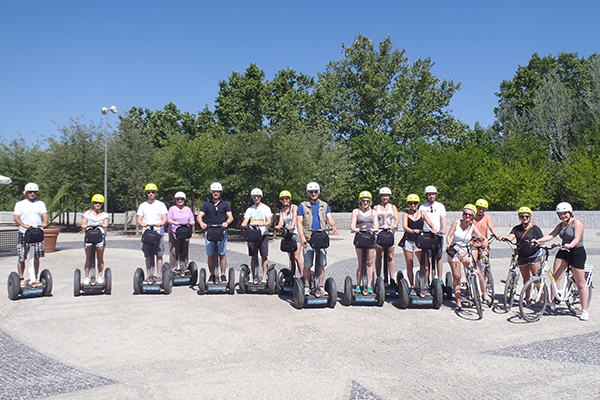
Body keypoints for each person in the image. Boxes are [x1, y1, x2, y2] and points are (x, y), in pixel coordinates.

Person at [533, 202, 589, 321]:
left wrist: (571, 245)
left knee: (580, 283)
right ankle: (554, 300)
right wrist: (538, 240)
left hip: (576, 252)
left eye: (565, 213)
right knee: (555, 277)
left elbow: (577, 238)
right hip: (563, 251)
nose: (563, 216)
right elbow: (551, 235)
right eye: (560, 214)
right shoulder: (561, 225)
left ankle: (584, 310)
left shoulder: (576, 223)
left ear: (570, 212)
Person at [297, 182, 339, 296]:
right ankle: (306, 285)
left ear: (318, 192)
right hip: (309, 238)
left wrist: (333, 225)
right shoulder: (302, 206)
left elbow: (329, 218)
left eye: (315, 192)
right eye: (311, 192)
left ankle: (320, 286)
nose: (313, 194)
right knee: (307, 264)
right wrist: (302, 237)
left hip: (321, 238)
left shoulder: (324, 206)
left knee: (321, 264)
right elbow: (299, 222)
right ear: (308, 193)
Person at [446, 204, 488, 309]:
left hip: (466, 252)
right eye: (465, 214)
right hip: (455, 252)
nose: (467, 216)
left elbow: (480, 235)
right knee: (457, 277)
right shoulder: (456, 222)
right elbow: (449, 235)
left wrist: (484, 240)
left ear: (473, 216)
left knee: (478, 273)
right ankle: (458, 301)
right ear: (463, 214)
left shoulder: (472, 227)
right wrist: (448, 244)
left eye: (470, 214)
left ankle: (484, 294)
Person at [499, 207, 544, 299]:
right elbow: (511, 236)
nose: (524, 218)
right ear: (519, 217)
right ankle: (527, 297)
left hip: (534, 255)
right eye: (522, 216)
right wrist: (505, 237)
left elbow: (542, 241)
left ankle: (542, 298)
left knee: (536, 278)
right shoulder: (517, 228)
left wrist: (537, 242)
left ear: (530, 217)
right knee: (526, 279)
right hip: (522, 255)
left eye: (526, 216)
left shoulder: (535, 229)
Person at [197, 182, 234, 284]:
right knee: (211, 255)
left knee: (222, 254)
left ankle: (222, 275)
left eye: (217, 191)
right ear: (211, 192)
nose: (216, 193)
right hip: (210, 231)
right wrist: (201, 223)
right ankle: (212, 274)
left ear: (220, 192)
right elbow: (199, 216)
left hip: (221, 231)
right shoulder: (207, 204)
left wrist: (226, 222)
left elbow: (230, 217)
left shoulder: (225, 204)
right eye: (214, 191)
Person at [13, 183, 48, 287]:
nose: (32, 194)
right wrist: (23, 225)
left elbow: (44, 214)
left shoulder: (40, 203)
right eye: (30, 192)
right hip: (24, 232)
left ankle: (35, 277)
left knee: (37, 256)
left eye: (34, 192)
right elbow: (16, 217)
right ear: (26, 193)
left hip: (37, 232)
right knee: (22, 256)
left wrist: (45, 222)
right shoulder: (20, 204)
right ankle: (21, 278)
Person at [401, 194, 437, 294]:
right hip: (408, 240)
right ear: (408, 204)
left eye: (415, 203)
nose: (413, 205)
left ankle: (424, 286)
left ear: (418, 204)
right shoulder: (406, 214)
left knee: (425, 265)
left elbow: (429, 222)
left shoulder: (422, 213)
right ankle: (412, 286)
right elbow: (404, 226)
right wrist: (412, 231)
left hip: (420, 242)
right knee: (410, 264)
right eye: (411, 203)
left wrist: (433, 228)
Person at [136, 183, 168, 281]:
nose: (151, 194)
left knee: (159, 254)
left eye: (153, 192)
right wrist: (141, 223)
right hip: (147, 233)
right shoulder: (142, 205)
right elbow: (139, 218)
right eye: (149, 192)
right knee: (148, 255)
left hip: (158, 232)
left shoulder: (161, 205)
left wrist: (161, 223)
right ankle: (149, 275)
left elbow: (164, 217)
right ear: (146, 193)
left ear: (155, 193)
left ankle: (159, 275)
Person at [241, 188, 273, 283]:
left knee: (264, 255)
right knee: (253, 256)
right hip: (253, 235)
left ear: (261, 197)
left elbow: (269, 221)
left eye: (258, 196)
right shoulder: (249, 209)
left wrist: (263, 224)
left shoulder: (266, 208)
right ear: (252, 198)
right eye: (254, 197)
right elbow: (245, 220)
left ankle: (264, 276)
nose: (256, 198)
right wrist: (243, 224)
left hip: (263, 234)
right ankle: (254, 275)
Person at [350, 191, 379, 294]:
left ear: (370, 202)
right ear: (360, 201)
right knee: (361, 263)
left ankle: (369, 285)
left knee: (369, 262)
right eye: (363, 201)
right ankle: (358, 285)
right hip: (360, 237)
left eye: (367, 201)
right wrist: (356, 229)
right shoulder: (356, 211)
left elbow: (376, 226)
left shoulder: (374, 212)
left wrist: (374, 229)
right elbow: (352, 225)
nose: (365, 203)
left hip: (370, 238)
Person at [419, 186, 447, 286]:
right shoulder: (422, 207)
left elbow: (443, 218)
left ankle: (439, 278)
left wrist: (443, 229)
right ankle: (426, 278)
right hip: (427, 234)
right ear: (426, 195)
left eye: (433, 194)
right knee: (428, 257)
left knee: (438, 256)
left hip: (438, 234)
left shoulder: (440, 206)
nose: (431, 196)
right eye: (429, 194)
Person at [80, 194, 109, 285]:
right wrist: (86, 225)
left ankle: (99, 276)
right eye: (96, 203)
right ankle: (87, 277)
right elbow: (83, 224)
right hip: (89, 237)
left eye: (100, 203)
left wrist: (102, 224)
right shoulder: (87, 214)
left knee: (100, 258)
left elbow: (106, 224)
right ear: (93, 203)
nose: (98, 205)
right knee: (88, 258)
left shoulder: (104, 214)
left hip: (100, 237)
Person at [275, 190, 304, 279]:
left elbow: (295, 216)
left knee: (296, 256)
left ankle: (304, 277)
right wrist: (279, 226)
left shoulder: (294, 207)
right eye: (283, 199)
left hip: (295, 233)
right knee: (290, 257)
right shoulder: (282, 210)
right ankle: (293, 276)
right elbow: (281, 221)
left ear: (289, 199)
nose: (285, 200)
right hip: (287, 235)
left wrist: (292, 224)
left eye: (286, 198)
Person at [374, 187, 399, 287]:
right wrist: (376, 226)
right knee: (379, 255)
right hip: (379, 233)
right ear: (380, 197)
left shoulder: (393, 207)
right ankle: (379, 277)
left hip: (390, 233)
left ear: (389, 196)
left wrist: (394, 225)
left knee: (390, 256)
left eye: (387, 196)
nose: (385, 197)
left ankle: (391, 278)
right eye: (383, 196)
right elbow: (373, 218)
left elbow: (396, 219)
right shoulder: (376, 208)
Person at [167, 191, 195, 272]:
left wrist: (192, 222)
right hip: (174, 232)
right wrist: (174, 222)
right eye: (178, 199)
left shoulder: (188, 209)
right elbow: (168, 219)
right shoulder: (172, 209)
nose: (180, 201)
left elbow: (191, 218)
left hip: (185, 232)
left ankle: (185, 267)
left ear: (184, 200)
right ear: (175, 200)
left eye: (181, 199)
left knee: (185, 250)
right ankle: (173, 268)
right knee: (174, 250)